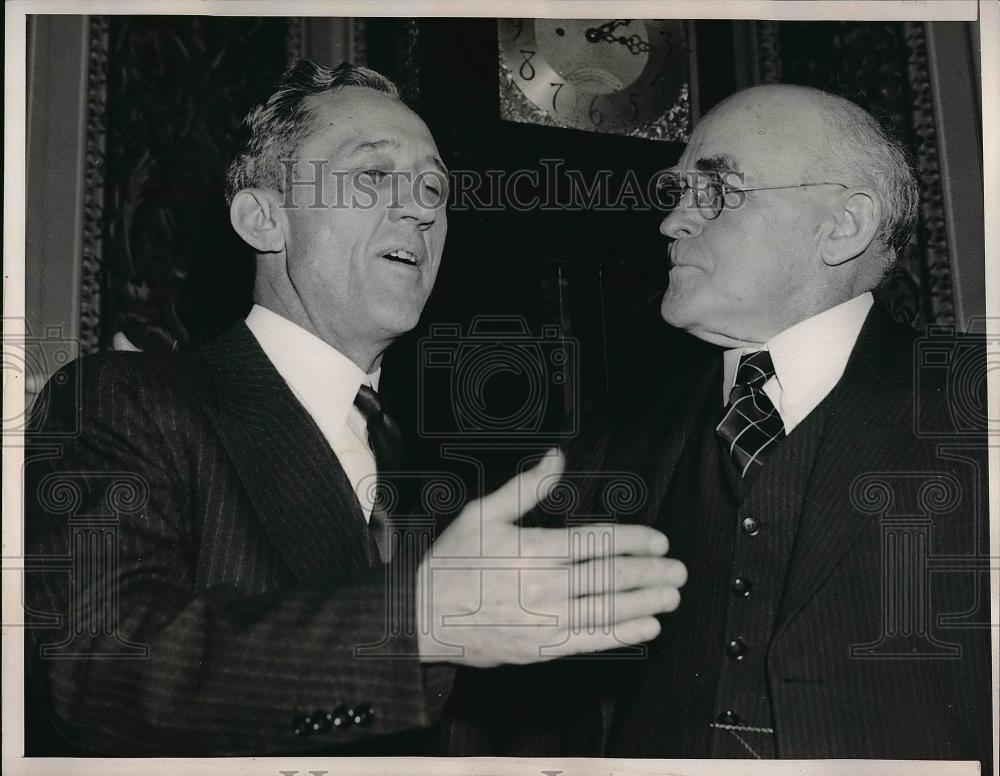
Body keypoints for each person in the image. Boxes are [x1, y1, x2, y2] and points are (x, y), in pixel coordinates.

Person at [23, 60, 688, 756]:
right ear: (263, 219)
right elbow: (97, 668)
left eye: (435, 185)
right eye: (374, 175)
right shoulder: (125, 401)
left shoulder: (452, 470)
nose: (423, 207)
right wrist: (413, 620)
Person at [446, 84, 992, 764]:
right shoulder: (614, 433)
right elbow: (517, 700)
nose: (672, 222)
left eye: (717, 191)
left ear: (844, 225)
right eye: (677, 193)